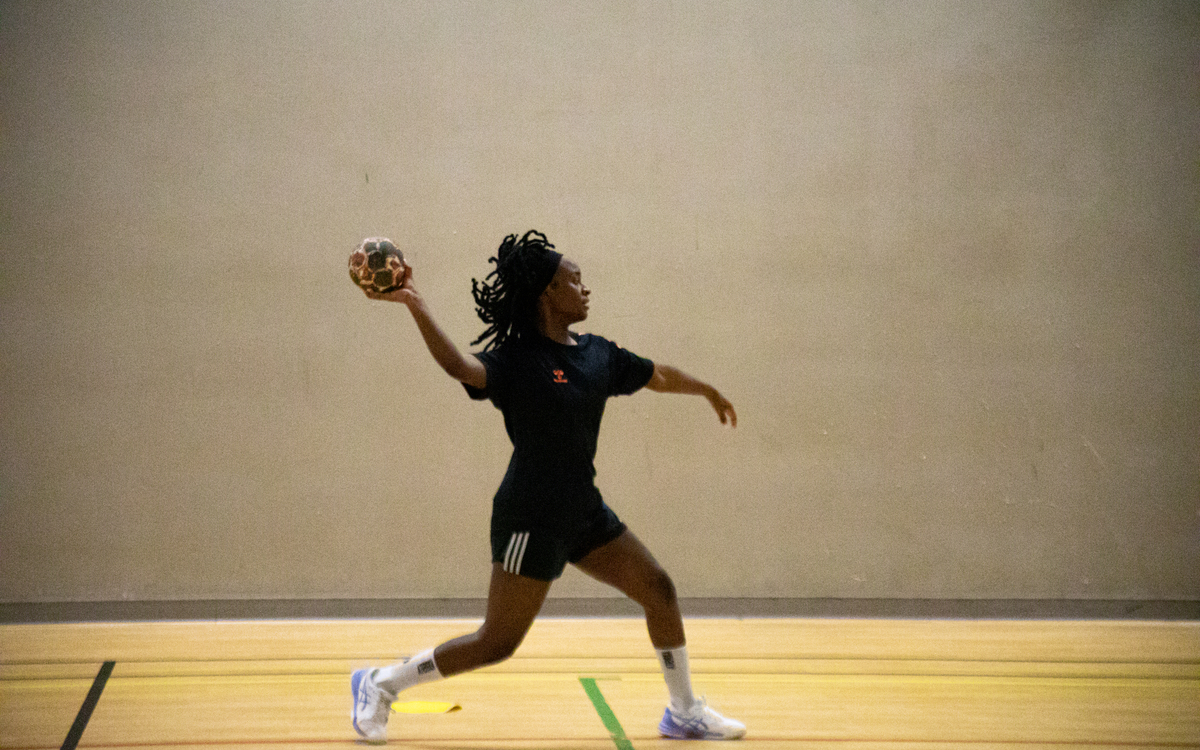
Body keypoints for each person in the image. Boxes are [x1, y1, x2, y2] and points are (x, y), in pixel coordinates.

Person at [351, 230, 745, 742]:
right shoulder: (517, 360)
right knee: (497, 643)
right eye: (573, 281)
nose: (585, 289)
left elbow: (659, 376)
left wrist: (706, 390)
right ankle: (381, 683)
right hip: (530, 517)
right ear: (546, 294)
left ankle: (684, 710)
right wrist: (415, 303)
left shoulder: (598, 355)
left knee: (658, 590)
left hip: (583, 512)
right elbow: (460, 367)